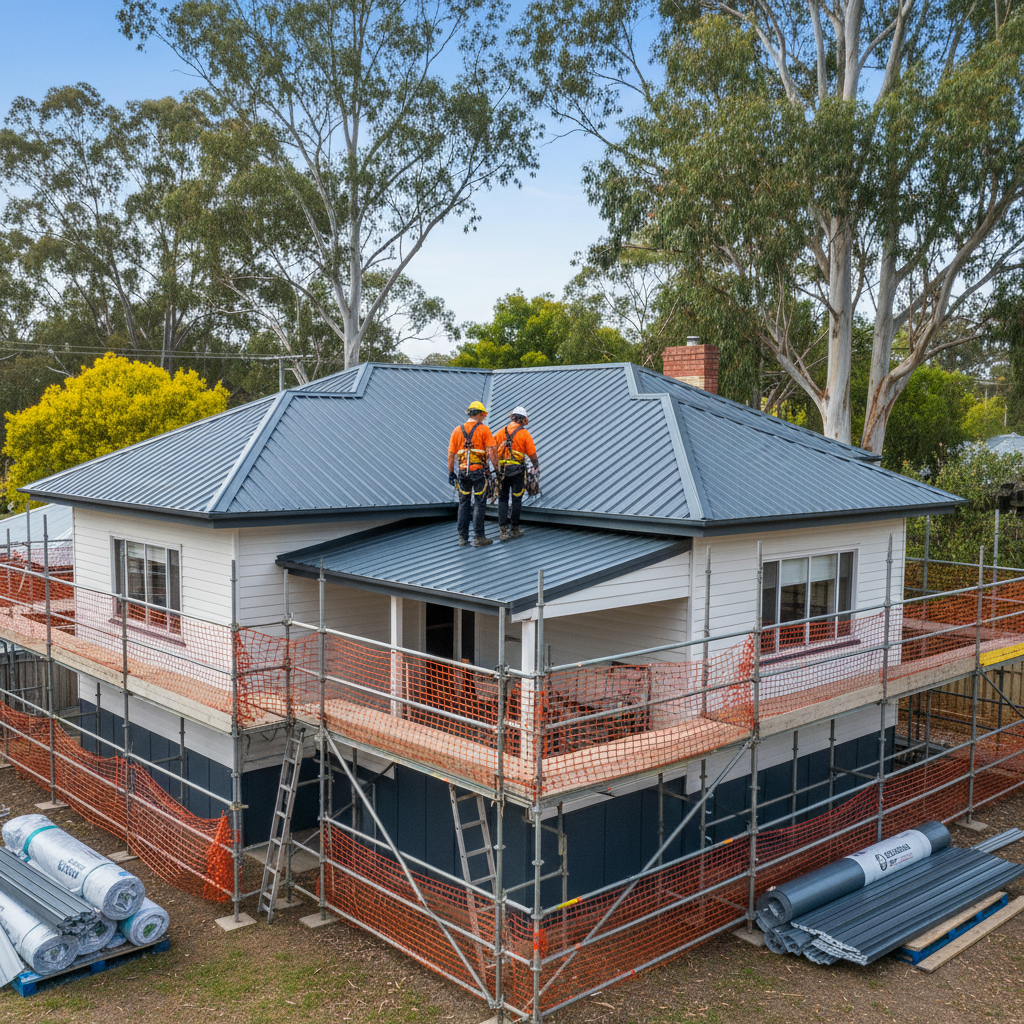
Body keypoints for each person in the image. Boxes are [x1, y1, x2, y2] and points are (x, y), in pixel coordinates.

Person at [447, 400, 498, 547]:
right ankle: (479, 537)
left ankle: (462, 538)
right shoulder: (484, 430)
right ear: (480, 414)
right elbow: (491, 451)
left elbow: (451, 455)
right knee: (479, 503)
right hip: (478, 472)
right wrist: (497, 469)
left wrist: (451, 473)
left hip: (463, 472)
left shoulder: (457, 430)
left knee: (463, 503)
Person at [495, 406, 539, 541]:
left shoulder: (501, 432)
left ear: (512, 417)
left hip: (502, 470)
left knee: (503, 499)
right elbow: (532, 454)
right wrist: (536, 466)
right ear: (524, 419)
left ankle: (503, 531)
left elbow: (491, 449)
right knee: (516, 499)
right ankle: (514, 528)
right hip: (517, 471)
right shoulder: (524, 434)